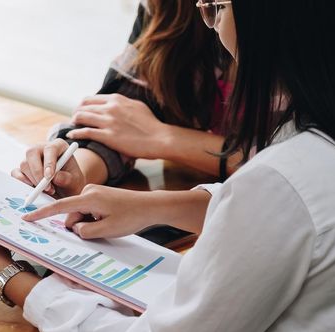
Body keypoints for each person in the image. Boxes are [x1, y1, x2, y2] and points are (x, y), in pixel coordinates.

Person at [0, 0, 335, 332]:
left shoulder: (282, 180)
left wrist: (3, 272)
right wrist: (151, 206)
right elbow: (293, 217)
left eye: (218, 9)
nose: (213, 23)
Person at [13, 0, 237, 199]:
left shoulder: (264, 24)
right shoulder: (173, 8)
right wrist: (71, 175)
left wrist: (163, 138)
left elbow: (270, 157)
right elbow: (118, 123)